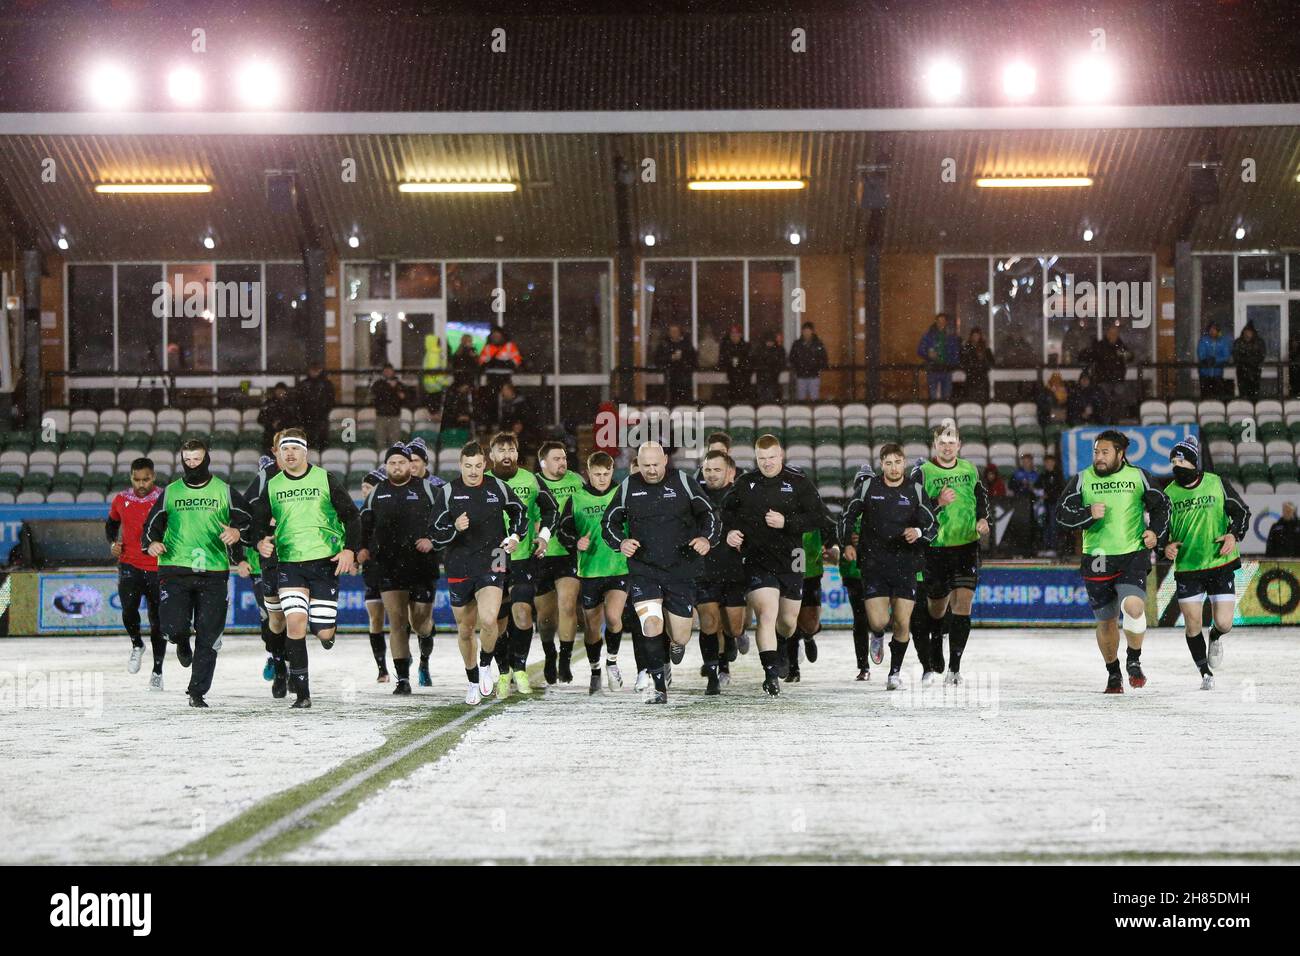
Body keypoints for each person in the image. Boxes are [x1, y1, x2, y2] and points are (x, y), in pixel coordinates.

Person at [249, 429, 362, 709]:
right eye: (285, 449)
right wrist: (259, 541)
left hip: (324, 563)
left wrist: (350, 550)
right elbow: (258, 522)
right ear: (278, 453)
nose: (289, 454)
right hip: (290, 565)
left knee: (322, 631)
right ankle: (302, 695)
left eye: (295, 449)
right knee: (295, 623)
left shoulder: (325, 478)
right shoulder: (273, 485)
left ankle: (328, 632)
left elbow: (352, 515)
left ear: (305, 451)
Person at [601, 442, 718, 704]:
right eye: (645, 466)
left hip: (681, 569)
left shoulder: (684, 483)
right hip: (645, 569)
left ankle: (676, 643)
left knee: (680, 635)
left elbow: (710, 515)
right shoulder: (629, 486)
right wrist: (620, 542)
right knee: (651, 623)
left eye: (655, 464)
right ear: (637, 464)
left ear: (665, 460)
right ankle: (658, 686)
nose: (651, 470)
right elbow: (609, 522)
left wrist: (706, 539)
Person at [1056, 430, 1170, 694]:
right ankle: (1113, 674)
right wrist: (1087, 514)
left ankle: (1133, 659)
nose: (1099, 457)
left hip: (1132, 555)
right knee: (1106, 622)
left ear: (1121, 453)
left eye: (1105, 452)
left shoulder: (1138, 476)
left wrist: (1155, 533)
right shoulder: (1082, 479)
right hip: (1096, 558)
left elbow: (1161, 506)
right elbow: (1061, 514)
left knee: (1133, 607)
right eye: (1096, 452)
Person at [141, 439, 252, 708]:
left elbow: (248, 522)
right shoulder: (170, 492)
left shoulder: (224, 491)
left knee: (209, 636)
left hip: (213, 573)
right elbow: (150, 527)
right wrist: (152, 544)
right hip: (174, 569)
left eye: (197, 459)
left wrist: (238, 537)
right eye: (187, 460)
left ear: (207, 459)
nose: (192, 464)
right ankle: (179, 641)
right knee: (172, 627)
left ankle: (197, 692)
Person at [721, 435, 825, 697]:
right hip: (757, 558)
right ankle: (770, 675)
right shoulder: (746, 483)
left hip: (794, 557)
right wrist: (731, 531)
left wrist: (787, 522)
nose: (766, 463)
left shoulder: (799, 482)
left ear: (781, 456)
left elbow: (818, 517)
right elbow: (726, 511)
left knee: (788, 622)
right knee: (766, 614)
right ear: (756, 458)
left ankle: (783, 644)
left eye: (771, 458)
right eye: (761, 459)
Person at [429, 441, 528, 706]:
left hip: (493, 559)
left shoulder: (498, 487)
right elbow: (435, 534)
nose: (473, 471)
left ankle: (485, 664)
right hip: (459, 564)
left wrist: (516, 535)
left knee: (489, 619)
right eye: (468, 466)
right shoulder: (448, 491)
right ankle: (473, 680)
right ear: (460, 465)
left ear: (485, 465)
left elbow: (520, 512)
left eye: (478, 466)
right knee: (464, 630)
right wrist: (454, 527)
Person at [840, 445, 938, 690]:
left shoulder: (915, 489)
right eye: (888, 463)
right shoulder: (868, 487)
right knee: (878, 621)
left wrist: (917, 532)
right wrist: (846, 543)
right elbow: (848, 516)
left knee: (903, 623)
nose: (894, 467)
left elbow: (933, 525)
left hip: (906, 564)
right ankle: (878, 635)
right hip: (874, 564)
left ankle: (894, 673)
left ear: (904, 462)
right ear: (881, 464)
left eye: (898, 462)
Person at [1162, 437, 1250, 690]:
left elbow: (1241, 512)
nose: (1176, 466)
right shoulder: (1168, 494)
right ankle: (1205, 672)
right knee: (1192, 625)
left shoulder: (1217, 483)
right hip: (1188, 569)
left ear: (1192, 461)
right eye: (1173, 462)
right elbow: (1160, 531)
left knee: (1224, 623)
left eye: (1180, 460)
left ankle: (1216, 636)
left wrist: (1234, 534)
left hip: (1220, 563)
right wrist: (1164, 547)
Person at [911, 425, 990, 687]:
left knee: (963, 605)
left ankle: (955, 668)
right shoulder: (924, 473)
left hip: (966, 546)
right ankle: (936, 638)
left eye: (951, 442)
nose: (947, 447)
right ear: (934, 444)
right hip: (935, 548)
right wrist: (938, 503)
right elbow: (915, 510)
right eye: (942, 442)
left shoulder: (969, 469)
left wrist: (982, 519)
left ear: (959, 444)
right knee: (937, 606)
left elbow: (981, 498)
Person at [358, 444, 440, 695]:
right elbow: (364, 524)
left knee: (420, 622)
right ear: (386, 467)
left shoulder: (428, 489)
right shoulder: (377, 493)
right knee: (397, 622)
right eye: (392, 463)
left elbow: (445, 519)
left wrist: (433, 541)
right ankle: (402, 679)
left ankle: (424, 657)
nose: (397, 467)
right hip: (388, 565)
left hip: (422, 565)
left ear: (410, 466)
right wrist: (361, 549)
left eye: (401, 463)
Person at [488, 432, 558, 695]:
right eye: (501, 450)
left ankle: (519, 667)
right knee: (496, 620)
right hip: (492, 559)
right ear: (491, 455)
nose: (507, 454)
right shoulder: (484, 482)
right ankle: (503, 670)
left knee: (523, 614)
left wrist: (544, 536)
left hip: (522, 558)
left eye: (511, 450)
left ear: (517, 453)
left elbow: (552, 510)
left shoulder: (531, 480)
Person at [557, 451, 629, 694]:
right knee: (592, 626)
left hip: (618, 567)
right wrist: (576, 542)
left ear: (612, 472)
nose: (602, 478)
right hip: (589, 571)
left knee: (613, 617)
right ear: (588, 473)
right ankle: (595, 670)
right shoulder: (576, 499)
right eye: (597, 474)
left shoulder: (622, 494)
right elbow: (562, 531)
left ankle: (612, 662)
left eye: (606, 474)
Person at [106, 458, 164, 687]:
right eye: (137, 479)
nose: (141, 484)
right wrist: (113, 542)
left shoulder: (163, 498)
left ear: (154, 477)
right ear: (131, 477)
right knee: (129, 610)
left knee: (157, 620)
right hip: (129, 564)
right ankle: (137, 644)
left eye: (146, 479)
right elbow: (111, 524)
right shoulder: (121, 499)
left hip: (157, 566)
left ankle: (158, 670)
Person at [693, 450, 747, 691]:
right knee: (709, 622)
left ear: (730, 472)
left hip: (734, 570)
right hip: (704, 570)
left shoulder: (741, 496)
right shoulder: (695, 495)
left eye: (717, 470)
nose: (712, 475)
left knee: (733, 627)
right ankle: (713, 673)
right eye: (708, 470)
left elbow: (754, 526)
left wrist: (742, 537)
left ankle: (728, 652)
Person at [535, 440, 586, 687]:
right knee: (545, 616)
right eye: (556, 458)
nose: (562, 462)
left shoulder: (576, 482)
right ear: (543, 462)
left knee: (567, 605)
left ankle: (564, 659)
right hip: (541, 555)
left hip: (568, 552)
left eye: (564, 457)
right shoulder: (533, 483)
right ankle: (549, 654)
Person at [243, 449, 292, 696]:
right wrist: (244, 554)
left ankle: (292, 665)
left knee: (295, 615)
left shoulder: (308, 480)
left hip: (294, 558)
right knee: (271, 617)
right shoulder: (262, 483)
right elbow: (243, 520)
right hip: (262, 562)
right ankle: (278, 659)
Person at [1085, 323, 1133, 417]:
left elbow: (1130, 357)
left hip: (1118, 379)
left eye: (1115, 333)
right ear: (1107, 334)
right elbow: (1092, 356)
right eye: (1111, 333)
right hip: (1103, 379)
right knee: (1104, 403)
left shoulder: (1120, 346)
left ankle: (1115, 421)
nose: (1113, 336)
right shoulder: (1100, 346)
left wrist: (1126, 355)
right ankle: (1105, 421)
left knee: (1118, 402)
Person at [479, 327, 522, 415]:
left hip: (505, 379)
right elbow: (481, 362)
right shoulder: (487, 347)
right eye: (494, 335)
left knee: (507, 401)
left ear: (502, 336)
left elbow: (517, 361)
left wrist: (503, 363)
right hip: (491, 379)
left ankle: (506, 421)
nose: (496, 337)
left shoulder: (510, 346)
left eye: (498, 335)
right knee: (491, 402)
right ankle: (492, 423)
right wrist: (491, 362)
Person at [916, 313, 960, 400]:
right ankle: (934, 413)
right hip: (933, 369)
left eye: (943, 321)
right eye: (939, 321)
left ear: (946, 322)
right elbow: (920, 350)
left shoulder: (951, 336)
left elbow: (956, 353)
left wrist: (952, 364)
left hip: (946, 369)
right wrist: (928, 354)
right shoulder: (929, 336)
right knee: (933, 397)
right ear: (936, 322)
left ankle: (946, 413)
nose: (941, 323)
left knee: (947, 397)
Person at [652, 322, 697, 407]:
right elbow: (657, 360)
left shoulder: (687, 344)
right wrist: (670, 358)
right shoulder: (664, 344)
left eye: (676, 331)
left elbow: (693, 360)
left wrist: (683, 360)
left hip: (685, 379)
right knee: (671, 402)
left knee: (685, 402)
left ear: (680, 332)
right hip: (670, 378)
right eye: (671, 331)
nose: (673, 334)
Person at [294, 363, 334, 451]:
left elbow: (330, 401)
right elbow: (298, 402)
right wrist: (302, 418)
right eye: (313, 370)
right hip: (307, 419)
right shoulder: (303, 385)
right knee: (309, 443)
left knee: (323, 441)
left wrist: (323, 411)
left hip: (321, 418)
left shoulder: (326, 384)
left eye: (317, 370)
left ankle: (322, 457)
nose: (314, 372)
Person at [370, 364, 408, 452]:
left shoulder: (399, 384)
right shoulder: (378, 384)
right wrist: (389, 387)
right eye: (386, 371)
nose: (388, 372)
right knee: (380, 442)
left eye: (389, 370)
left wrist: (395, 388)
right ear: (383, 372)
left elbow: (404, 398)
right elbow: (376, 397)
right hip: (381, 416)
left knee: (395, 443)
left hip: (395, 416)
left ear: (393, 371)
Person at [788, 322, 829, 402]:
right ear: (802, 332)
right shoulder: (797, 344)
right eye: (805, 331)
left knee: (815, 399)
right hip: (801, 376)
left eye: (808, 331)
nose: (806, 333)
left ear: (812, 331)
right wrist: (797, 368)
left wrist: (818, 368)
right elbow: (792, 358)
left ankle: (814, 413)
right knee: (800, 400)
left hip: (814, 376)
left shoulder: (818, 344)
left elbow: (824, 358)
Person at [1036, 453, 1065, 555]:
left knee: (1053, 525)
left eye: (1050, 462)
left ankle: (1053, 548)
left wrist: (1049, 495)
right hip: (1044, 505)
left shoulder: (1058, 475)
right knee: (1044, 525)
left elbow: (1060, 490)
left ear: (1054, 463)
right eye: (1047, 462)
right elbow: (1037, 487)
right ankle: (1045, 547)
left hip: (1054, 504)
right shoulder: (1043, 475)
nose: (1048, 464)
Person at [257, 381, 297, 454]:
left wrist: (283, 424)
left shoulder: (290, 404)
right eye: (278, 390)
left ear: (286, 391)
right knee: (270, 459)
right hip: (270, 436)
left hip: (286, 437)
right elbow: (260, 419)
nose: (280, 392)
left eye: (282, 390)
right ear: (275, 391)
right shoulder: (268, 403)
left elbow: (295, 420)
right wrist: (271, 423)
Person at [717, 325, 753, 405]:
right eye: (732, 335)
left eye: (736, 335)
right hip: (730, 381)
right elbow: (722, 362)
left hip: (743, 381)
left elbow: (749, 363)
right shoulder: (726, 347)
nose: (734, 337)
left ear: (740, 335)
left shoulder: (745, 347)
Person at [1198, 322, 1233, 399]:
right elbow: (1201, 355)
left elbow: (1226, 356)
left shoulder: (1223, 341)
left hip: (1217, 373)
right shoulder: (1203, 340)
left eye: (1214, 329)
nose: (1212, 331)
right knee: (1205, 397)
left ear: (1218, 331)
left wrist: (1215, 360)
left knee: (1217, 397)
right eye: (1211, 329)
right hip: (1205, 373)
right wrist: (1208, 360)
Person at [959, 327, 994, 402]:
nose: (976, 337)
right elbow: (963, 363)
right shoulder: (967, 349)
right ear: (971, 336)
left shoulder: (985, 349)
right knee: (971, 403)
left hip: (982, 381)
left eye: (977, 335)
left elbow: (991, 364)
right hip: (971, 380)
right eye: (974, 335)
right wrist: (971, 368)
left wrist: (983, 364)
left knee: (983, 403)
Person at [1233, 322, 1266, 400]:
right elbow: (1236, 356)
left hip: (1255, 371)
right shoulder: (1238, 342)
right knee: (1243, 393)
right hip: (1242, 371)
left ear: (1253, 333)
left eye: (1249, 332)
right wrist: (1246, 360)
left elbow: (1262, 355)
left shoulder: (1259, 342)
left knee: (1254, 393)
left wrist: (1251, 361)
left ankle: (1254, 407)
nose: (1247, 334)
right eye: (1246, 332)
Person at [753, 330, 787, 405]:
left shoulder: (778, 350)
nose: (769, 343)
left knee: (771, 401)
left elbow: (781, 363)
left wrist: (773, 370)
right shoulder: (759, 350)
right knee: (761, 401)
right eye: (768, 341)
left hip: (773, 380)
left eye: (771, 341)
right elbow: (755, 363)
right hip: (761, 379)